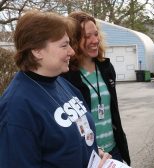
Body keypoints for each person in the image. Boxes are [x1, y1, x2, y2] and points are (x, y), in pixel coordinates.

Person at [0, 10, 110, 168]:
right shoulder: (16, 108)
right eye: (64, 45)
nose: (72, 51)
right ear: (37, 50)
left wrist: (92, 152)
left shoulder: (61, 83)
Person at [61, 11, 131, 165]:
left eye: (96, 34)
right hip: (89, 156)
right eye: (87, 36)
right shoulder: (66, 75)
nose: (95, 40)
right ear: (73, 41)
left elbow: (112, 112)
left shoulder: (106, 68)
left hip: (114, 151)